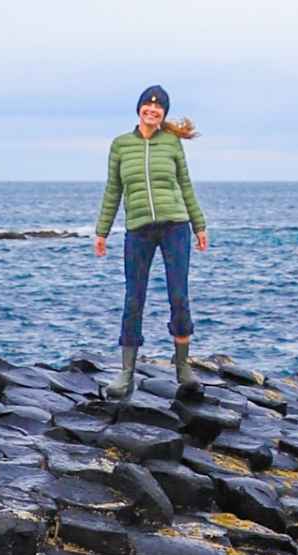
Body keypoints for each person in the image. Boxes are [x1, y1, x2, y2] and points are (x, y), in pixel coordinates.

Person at [93, 85, 208, 397]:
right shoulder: (120, 145)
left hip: (176, 227)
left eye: (159, 108)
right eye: (148, 105)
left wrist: (199, 225)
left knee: (179, 296)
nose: (152, 110)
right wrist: (102, 231)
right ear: (139, 108)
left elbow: (185, 184)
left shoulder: (171, 143)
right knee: (133, 299)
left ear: (163, 114)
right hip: (138, 230)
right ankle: (126, 372)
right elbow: (112, 190)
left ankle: (183, 366)